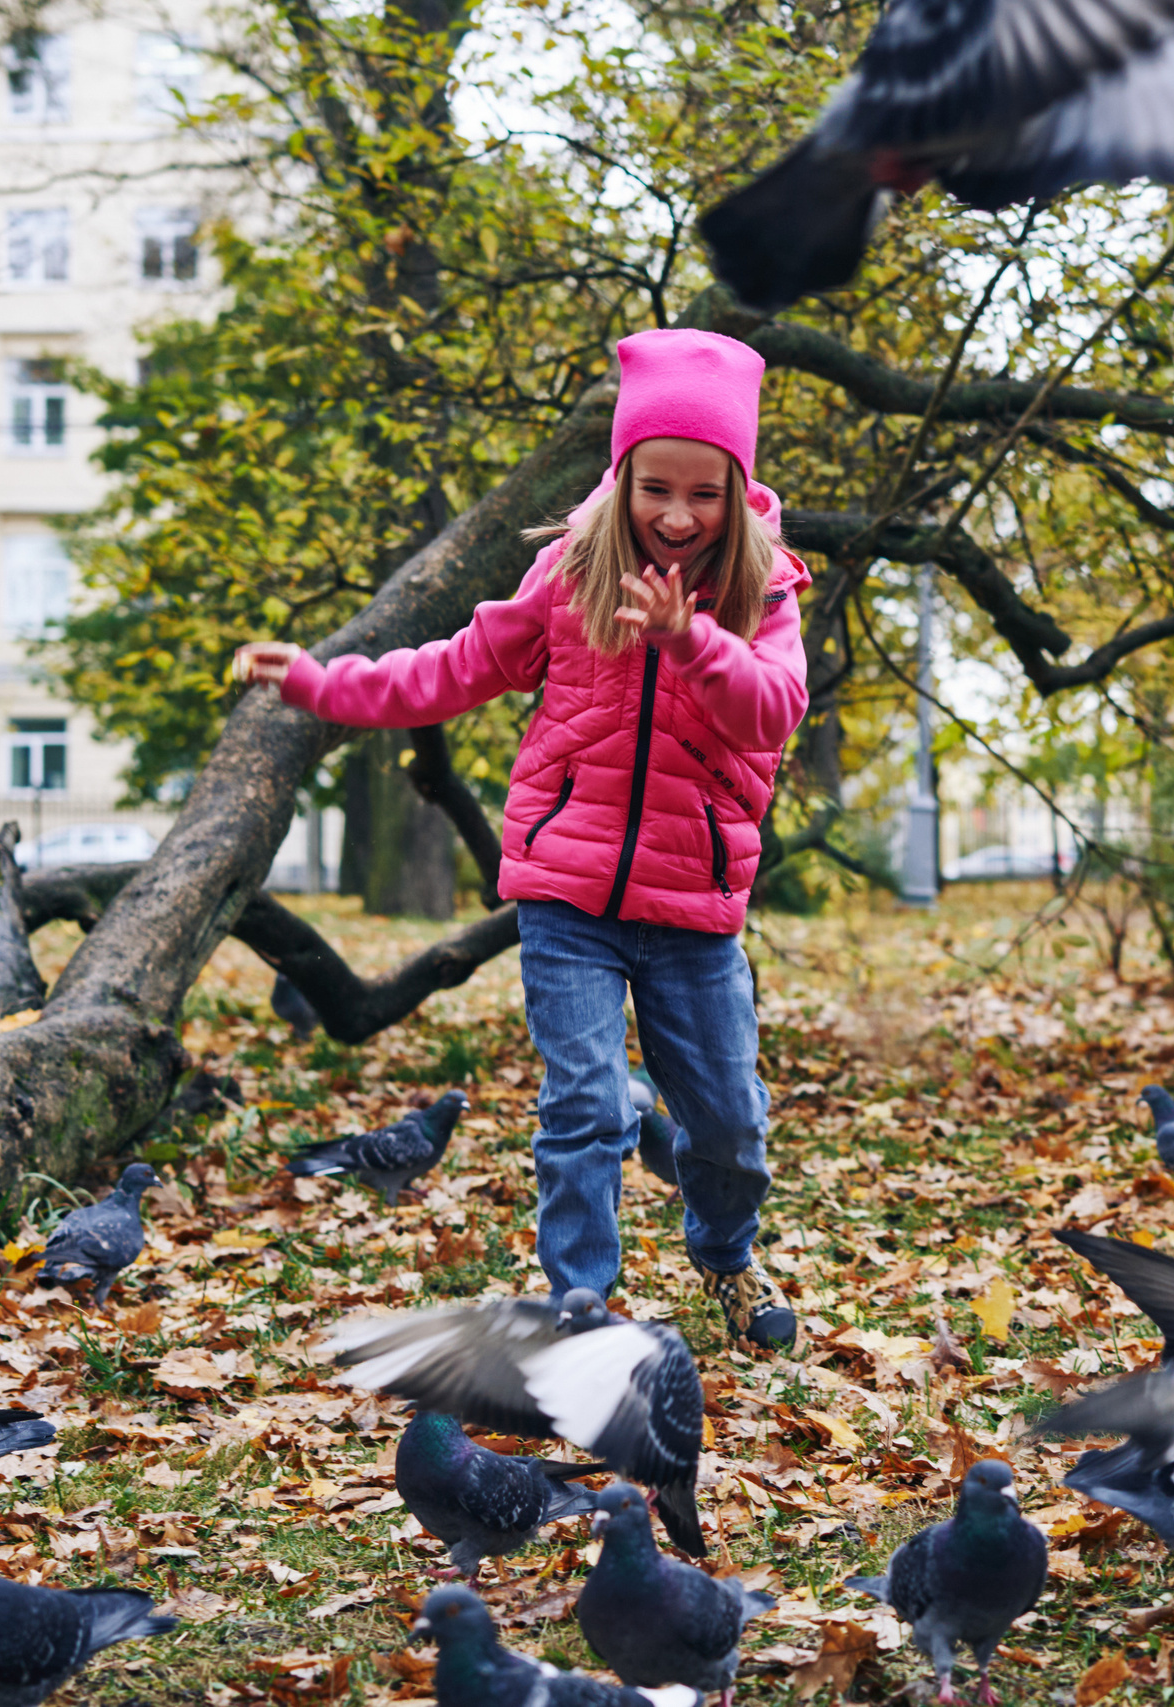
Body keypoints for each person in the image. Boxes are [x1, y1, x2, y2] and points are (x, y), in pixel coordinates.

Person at [231, 329, 808, 1351]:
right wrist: (323, 683)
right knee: (586, 1105)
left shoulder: (761, 593)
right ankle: (578, 1310)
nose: (677, 515)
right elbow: (448, 670)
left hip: (694, 907)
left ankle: (723, 1260)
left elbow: (772, 712)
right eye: (656, 487)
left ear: (737, 490)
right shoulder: (568, 576)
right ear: (623, 477)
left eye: (704, 494)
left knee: (727, 1129)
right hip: (567, 895)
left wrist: (689, 640)